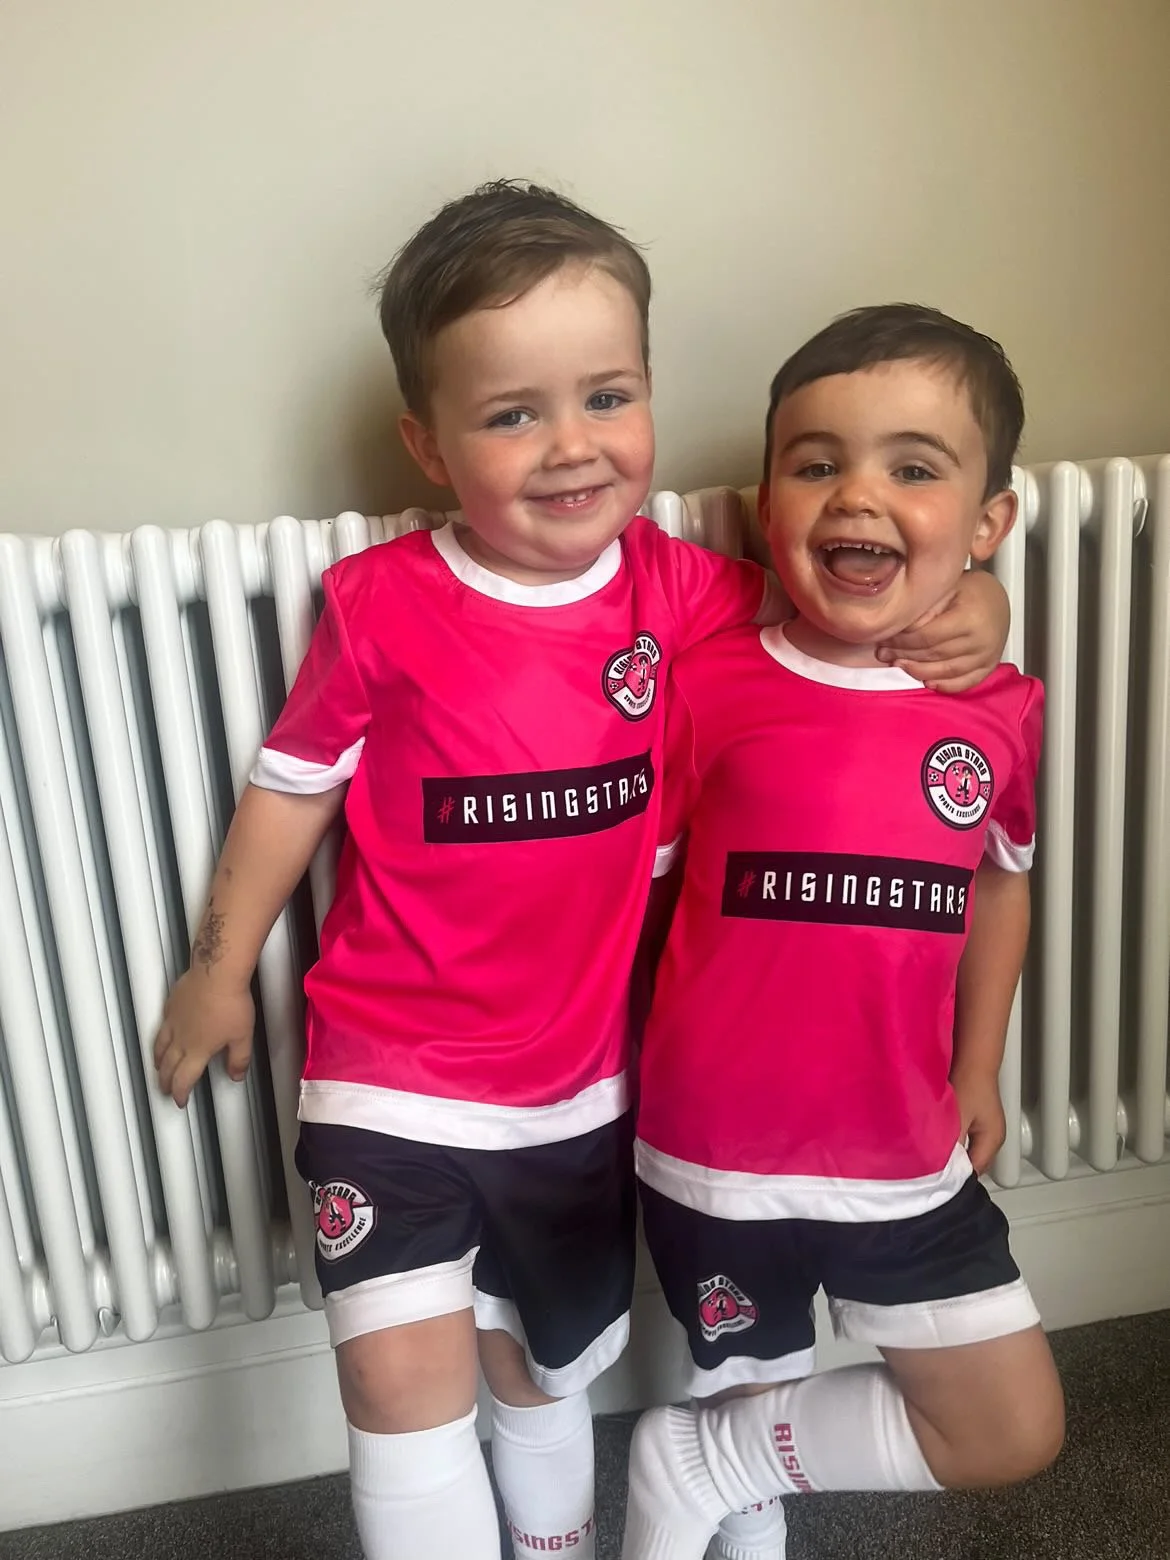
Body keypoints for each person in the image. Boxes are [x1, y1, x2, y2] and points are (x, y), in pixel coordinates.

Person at [151, 181, 1009, 1560]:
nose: (570, 447)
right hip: (389, 1075)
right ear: (426, 444)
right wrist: (218, 973)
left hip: (579, 1092)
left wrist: (975, 595)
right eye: (512, 414)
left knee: (533, 1374)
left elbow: (849, 592)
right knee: (396, 1383)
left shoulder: (680, 591)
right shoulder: (381, 608)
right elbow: (289, 789)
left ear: (649, 395)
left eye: (606, 397)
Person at [623, 305, 1065, 1560]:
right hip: (719, 1150)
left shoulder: (1002, 710)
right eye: (817, 463)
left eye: (913, 468)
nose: (856, 492)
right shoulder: (710, 683)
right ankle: (707, 1474)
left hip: (901, 1146)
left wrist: (977, 1066)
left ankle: (683, 1461)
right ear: (768, 502)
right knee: (747, 1407)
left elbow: (998, 886)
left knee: (1009, 1428)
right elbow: (637, 903)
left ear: (988, 525)